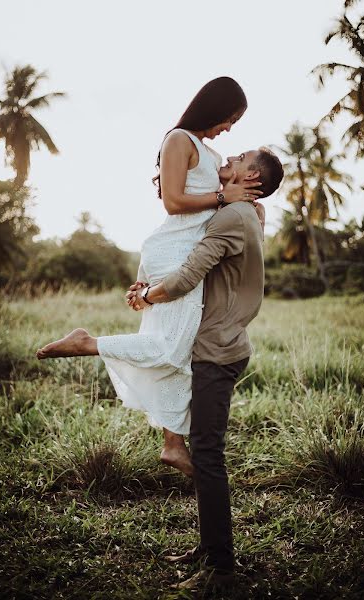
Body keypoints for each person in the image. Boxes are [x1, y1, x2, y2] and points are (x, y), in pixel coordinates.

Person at [35, 76, 262, 478]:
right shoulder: (178, 140)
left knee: (182, 351)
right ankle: (87, 343)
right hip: (176, 249)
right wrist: (226, 197)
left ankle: (173, 444)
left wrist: (251, 206)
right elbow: (174, 202)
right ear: (214, 107)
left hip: (187, 251)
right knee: (172, 347)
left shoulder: (211, 151)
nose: (229, 128)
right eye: (229, 118)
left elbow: (227, 205)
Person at [126, 147, 284, 593]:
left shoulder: (233, 217)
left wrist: (147, 297)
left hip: (217, 351)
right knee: (205, 450)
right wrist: (153, 286)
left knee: (208, 456)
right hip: (224, 344)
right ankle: (209, 548)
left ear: (250, 174)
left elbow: (189, 275)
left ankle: (221, 567)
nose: (228, 156)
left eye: (240, 156)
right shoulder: (249, 214)